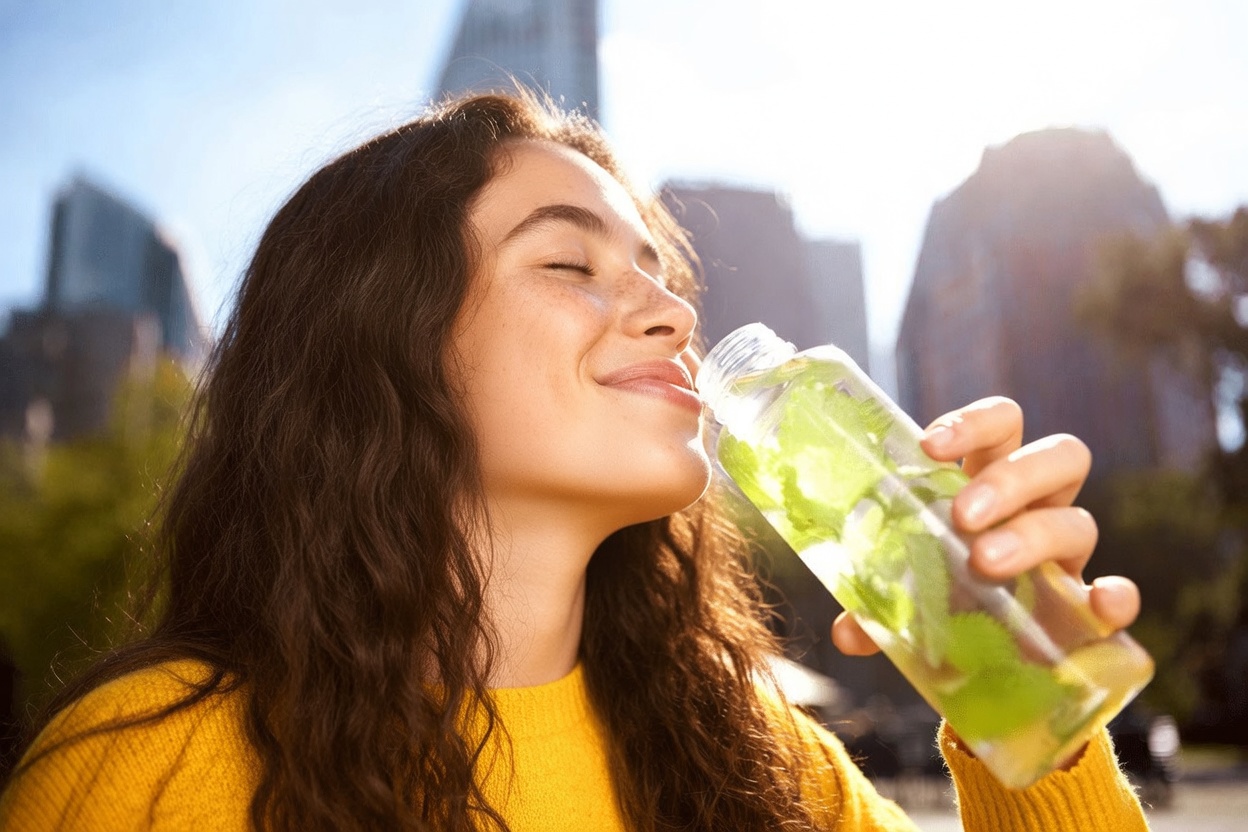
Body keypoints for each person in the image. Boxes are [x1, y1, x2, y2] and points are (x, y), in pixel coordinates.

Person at [0, 90, 1150, 831]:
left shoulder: (758, 762)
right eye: (568, 265)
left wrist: (1019, 698)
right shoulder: (149, 772)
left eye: (661, 276)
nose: (671, 313)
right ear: (380, 342)